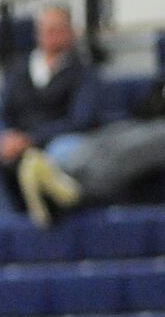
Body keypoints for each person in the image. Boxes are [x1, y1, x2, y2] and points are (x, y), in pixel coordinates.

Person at [0, 5, 99, 221]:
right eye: (46, 29)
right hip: (17, 141)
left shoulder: (84, 72)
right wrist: (5, 135)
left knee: (63, 152)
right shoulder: (18, 69)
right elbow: (2, 113)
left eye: (57, 29)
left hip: (55, 140)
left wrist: (31, 139)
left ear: (70, 32)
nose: (50, 35)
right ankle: (4, 223)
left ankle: (52, 217)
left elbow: (80, 120)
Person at [19, 69, 165, 218]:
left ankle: (72, 189)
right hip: (146, 122)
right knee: (111, 135)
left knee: (134, 145)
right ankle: (60, 175)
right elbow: (147, 109)